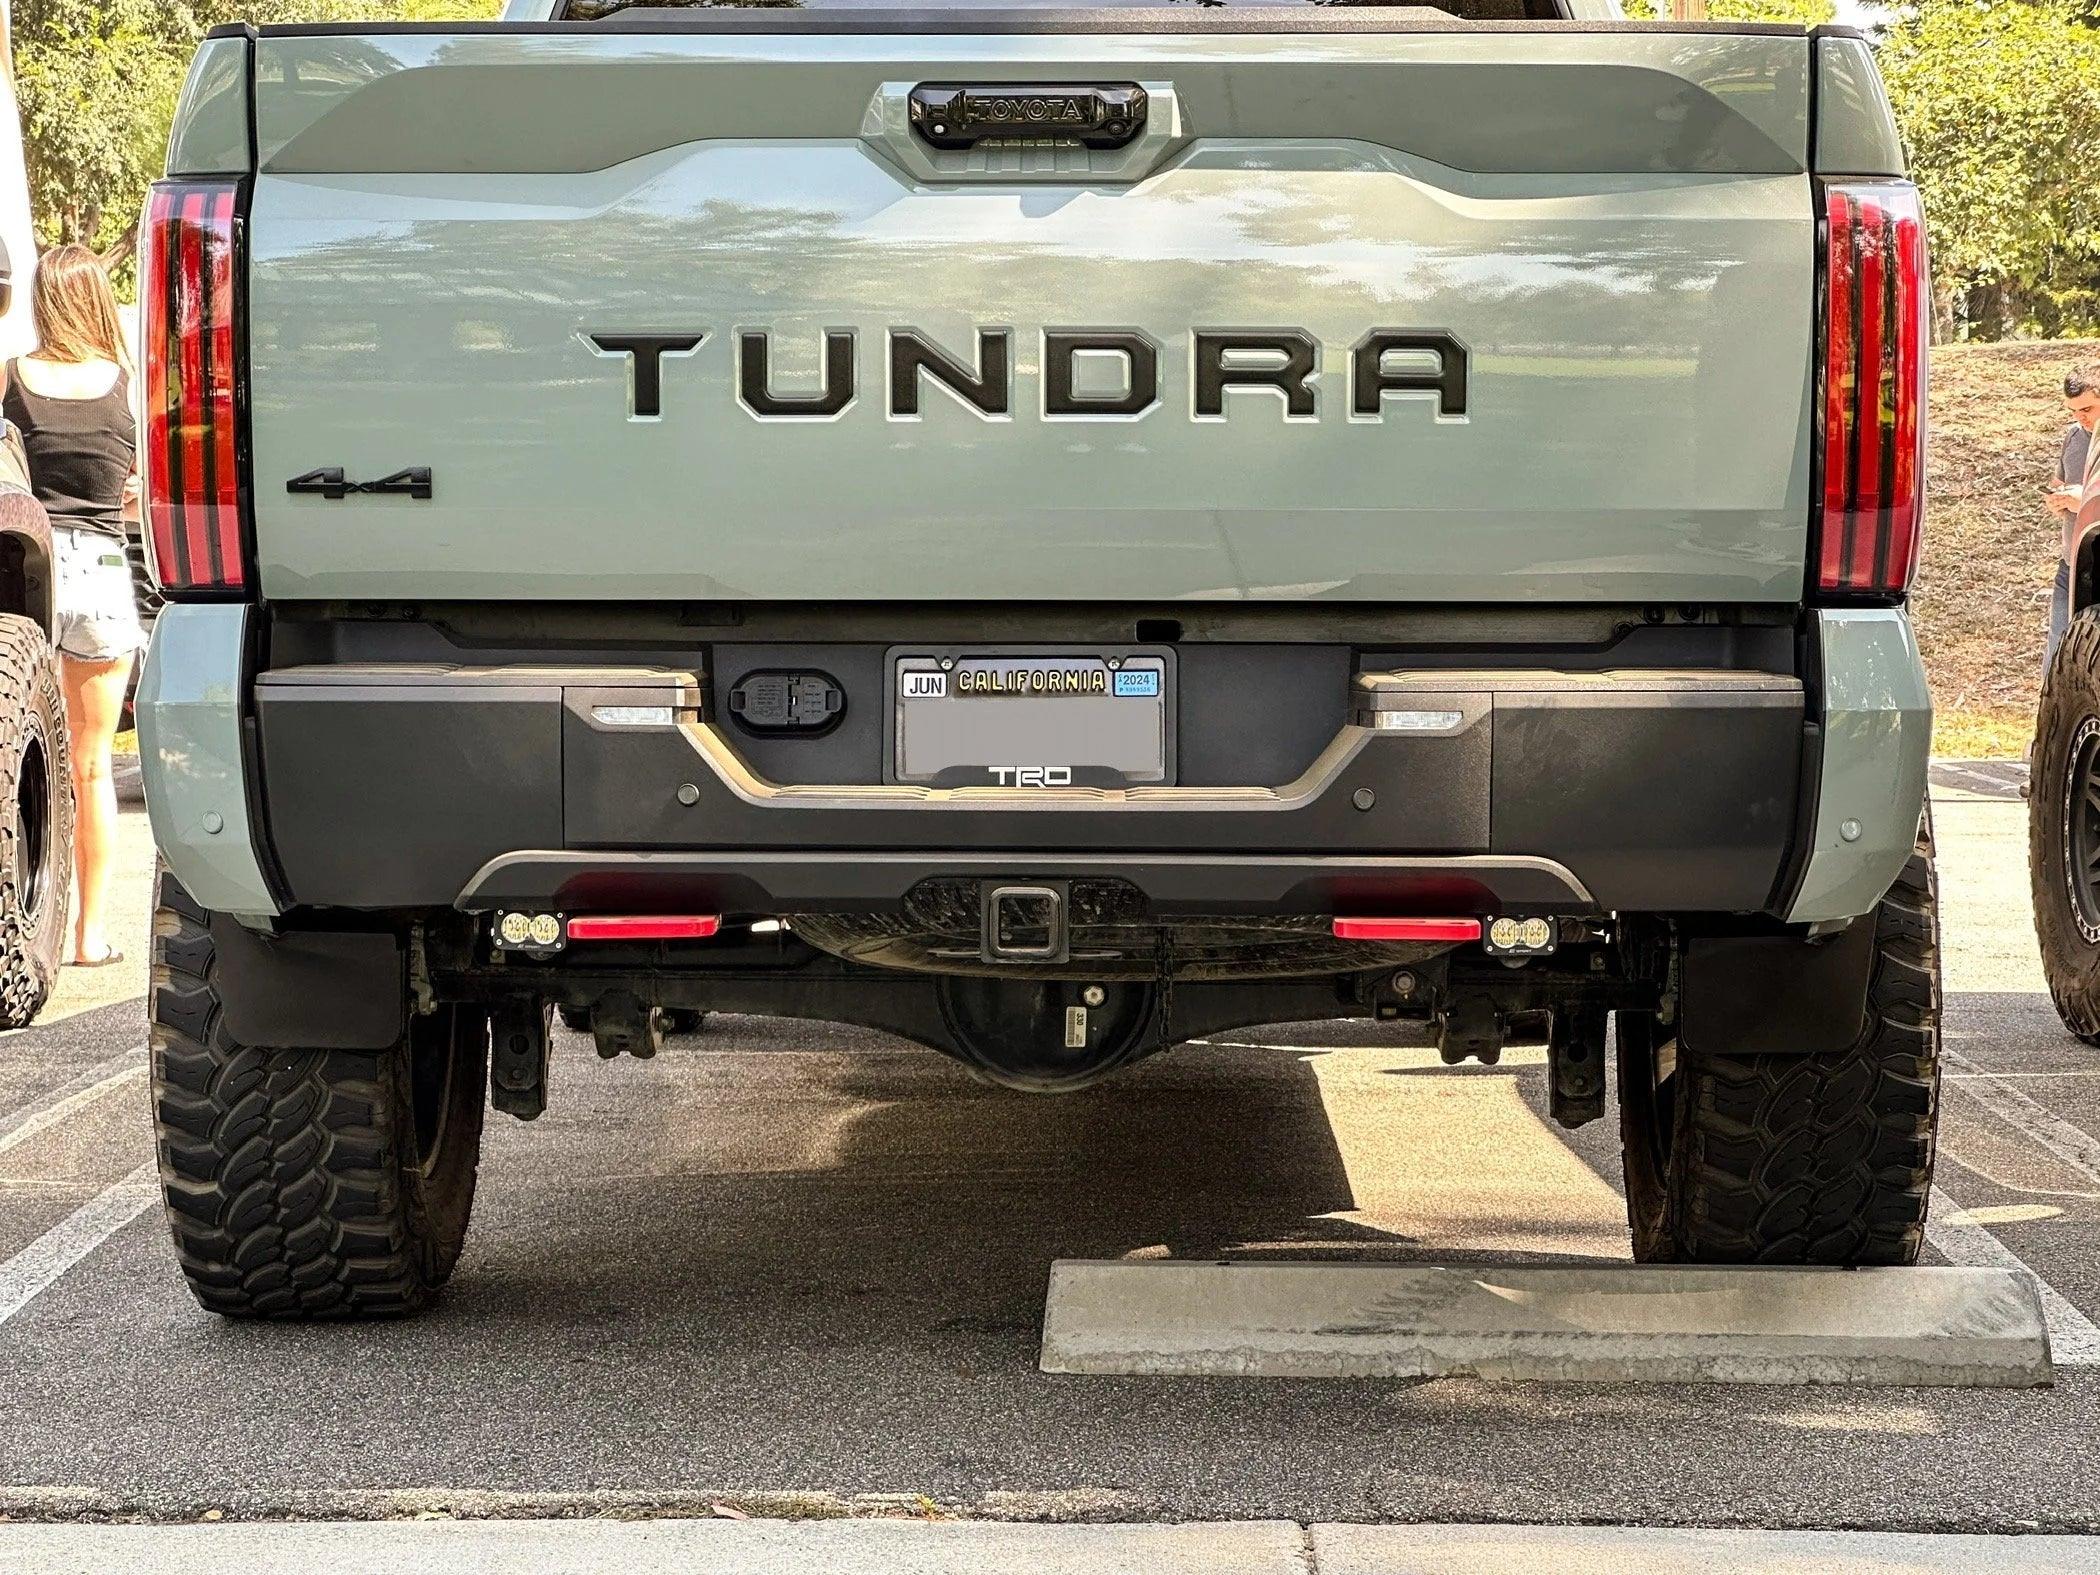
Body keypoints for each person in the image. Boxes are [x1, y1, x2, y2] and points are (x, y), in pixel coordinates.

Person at [1, 245, 145, 967]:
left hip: (28, 574)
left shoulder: (11, 382)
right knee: (89, 765)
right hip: (101, 575)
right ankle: (88, 935)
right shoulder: (125, 387)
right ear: (94, 299)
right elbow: (133, 486)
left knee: (17, 758)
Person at [2043, 363, 2100, 668]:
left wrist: (2087, 502)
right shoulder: (2074, 436)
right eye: (2073, 411)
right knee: (2058, 648)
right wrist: (2057, 498)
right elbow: (2058, 482)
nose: (2081, 418)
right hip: (2071, 564)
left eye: (2088, 409)